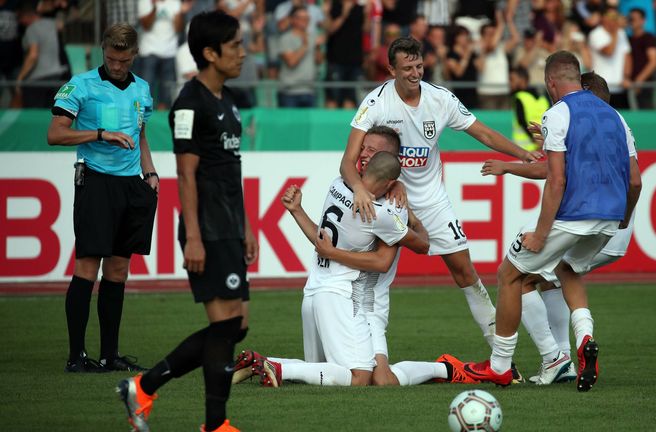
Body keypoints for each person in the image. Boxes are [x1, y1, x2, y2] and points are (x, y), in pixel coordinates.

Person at [341, 37, 540, 350]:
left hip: (433, 203)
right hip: (388, 202)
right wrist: (361, 190)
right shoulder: (376, 103)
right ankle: (357, 351)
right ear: (391, 69)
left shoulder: (440, 99)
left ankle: (502, 356)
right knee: (370, 279)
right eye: (407, 68)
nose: (415, 73)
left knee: (466, 274)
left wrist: (522, 153)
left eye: (419, 66)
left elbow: (483, 132)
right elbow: (348, 161)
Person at [464, 51, 642, 392]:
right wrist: (622, 218)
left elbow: (555, 179)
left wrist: (540, 233)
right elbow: (635, 180)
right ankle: (583, 337)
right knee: (566, 270)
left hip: (575, 216)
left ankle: (499, 366)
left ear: (551, 83)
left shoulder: (558, 113)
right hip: (610, 219)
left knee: (510, 274)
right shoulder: (616, 116)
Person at [117, 11, 256, 432]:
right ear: (210, 53)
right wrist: (193, 236)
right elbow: (186, 174)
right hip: (207, 227)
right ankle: (215, 423)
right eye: (235, 46)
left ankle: (143, 386)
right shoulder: (189, 103)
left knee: (238, 326)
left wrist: (246, 225)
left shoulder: (228, 100)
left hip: (229, 224)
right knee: (226, 324)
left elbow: (232, 170)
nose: (243, 53)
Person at [234, 151, 430, 388]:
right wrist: (411, 215)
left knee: (319, 370)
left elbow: (321, 241)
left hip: (313, 292)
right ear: (389, 183)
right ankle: (278, 368)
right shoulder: (381, 213)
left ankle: (261, 362)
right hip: (340, 296)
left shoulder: (337, 185)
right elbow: (408, 251)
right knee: (360, 377)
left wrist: (297, 210)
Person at [47, 23, 156, 374]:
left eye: (124, 60)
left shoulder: (143, 88)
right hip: (94, 181)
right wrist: (99, 134)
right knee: (87, 267)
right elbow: (55, 134)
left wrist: (150, 173)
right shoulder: (81, 85)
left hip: (131, 185)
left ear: (134, 55)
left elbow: (141, 135)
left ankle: (110, 355)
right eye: (111, 58)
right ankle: (76, 356)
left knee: (119, 269)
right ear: (102, 52)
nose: (117, 65)